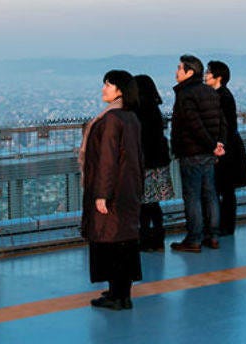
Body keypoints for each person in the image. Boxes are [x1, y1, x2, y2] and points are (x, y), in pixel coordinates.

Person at [79, 70, 143, 310]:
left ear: (120, 90)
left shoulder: (110, 120)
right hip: (128, 189)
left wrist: (101, 194)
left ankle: (119, 296)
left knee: (111, 242)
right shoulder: (130, 117)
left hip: (111, 192)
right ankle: (120, 291)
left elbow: (107, 160)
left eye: (108, 85)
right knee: (124, 241)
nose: (103, 89)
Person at [169, 55, 226, 253]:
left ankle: (194, 238)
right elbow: (221, 121)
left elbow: (194, 125)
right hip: (208, 154)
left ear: (189, 72)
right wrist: (218, 144)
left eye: (179, 68)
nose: (176, 72)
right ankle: (214, 236)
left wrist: (211, 145)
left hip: (191, 152)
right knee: (210, 194)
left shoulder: (186, 94)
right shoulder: (210, 92)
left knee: (192, 196)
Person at [204, 61, 246, 236]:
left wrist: (218, 145)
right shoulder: (223, 95)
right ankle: (225, 225)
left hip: (225, 148)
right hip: (229, 147)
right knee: (226, 189)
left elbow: (223, 125)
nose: (205, 75)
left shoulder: (220, 96)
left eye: (209, 72)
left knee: (223, 188)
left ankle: (222, 225)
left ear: (218, 77)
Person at [134, 75, 174, 252]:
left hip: (144, 163)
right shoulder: (155, 110)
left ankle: (144, 239)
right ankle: (158, 238)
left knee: (143, 204)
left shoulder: (136, 111)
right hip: (159, 161)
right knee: (154, 203)